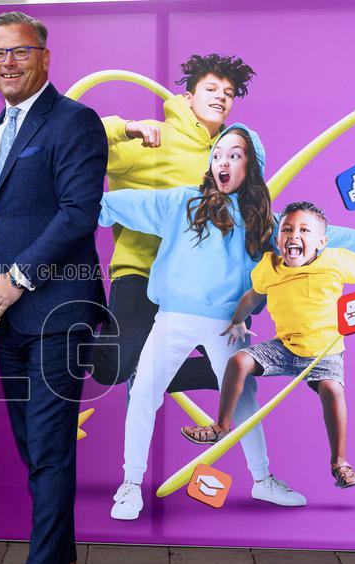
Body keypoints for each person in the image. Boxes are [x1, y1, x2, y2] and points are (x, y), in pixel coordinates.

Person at [99, 124, 355, 520]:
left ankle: (262, 480)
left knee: (245, 402)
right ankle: (130, 485)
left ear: (253, 165)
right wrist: (71, 202)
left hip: (227, 324)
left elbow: (334, 237)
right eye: (218, 154)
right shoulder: (181, 203)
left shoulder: (266, 222)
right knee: (143, 393)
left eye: (235, 154)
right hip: (173, 316)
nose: (223, 161)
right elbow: (116, 204)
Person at [0, 12, 107, 564]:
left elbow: (77, 215)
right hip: (7, 318)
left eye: (20, 52)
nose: (8, 63)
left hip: (56, 312)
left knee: (48, 449)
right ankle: (59, 559)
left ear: (45, 57)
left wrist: (12, 280)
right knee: (34, 446)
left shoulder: (75, 122)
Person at [186, 202, 355, 487]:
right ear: (278, 237)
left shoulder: (335, 261)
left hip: (324, 353)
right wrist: (237, 320)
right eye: (287, 229)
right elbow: (252, 296)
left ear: (322, 241)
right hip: (285, 348)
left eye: (304, 230)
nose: (294, 235)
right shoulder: (269, 268)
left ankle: (340, 464)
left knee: (332, 390)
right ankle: (221, 426)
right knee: (238, 361)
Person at [90, 54, 259, 390]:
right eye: (211, 88)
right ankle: (70, 334)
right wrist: (125, 128)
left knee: (234, 365)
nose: (220, 97)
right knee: (112, 369)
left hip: (198, 285)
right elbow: (79, 140)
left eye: (228, 93)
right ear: (188, 97)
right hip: (142, 273)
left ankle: (149, 376)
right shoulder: (154, 138)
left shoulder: (234, 155)